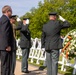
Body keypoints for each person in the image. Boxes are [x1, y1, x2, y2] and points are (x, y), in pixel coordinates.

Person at [0, 5, 14, 75]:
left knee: (4, 65)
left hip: (2, 46)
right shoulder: (5, 20)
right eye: (10, 11)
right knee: (6, 66)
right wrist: (7, 45)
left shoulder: (1, 19)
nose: (11, 13)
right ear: (7, 11)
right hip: (5, 47)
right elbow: (5, 33)